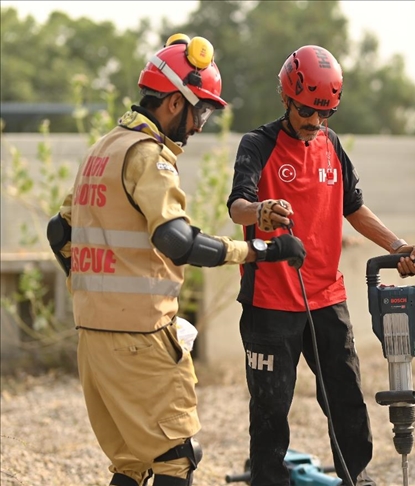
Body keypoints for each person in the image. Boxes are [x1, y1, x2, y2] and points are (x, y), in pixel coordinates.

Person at [45, 34, 306, 486]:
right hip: (142, 336)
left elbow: (59, 231)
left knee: (130, 461)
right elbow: (177, 240)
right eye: (201, 110)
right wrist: (258, 250)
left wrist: (94, 294)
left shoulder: (102, 150)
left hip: (93, 336)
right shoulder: (149, 157)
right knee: (175, 456)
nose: (201, 124)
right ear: (172, 102)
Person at [226, 45, 415, 486]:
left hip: (326, 299)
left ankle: (358, 479)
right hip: (271, 302)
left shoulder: (331, 145)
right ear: (286, 99)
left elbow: (354, 206)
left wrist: (397, 246)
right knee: (271, 411)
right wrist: (260, 210)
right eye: (307, 113)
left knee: (347, 402)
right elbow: (237, 205)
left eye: (325, 114)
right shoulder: (257, 145)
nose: (315, 124)